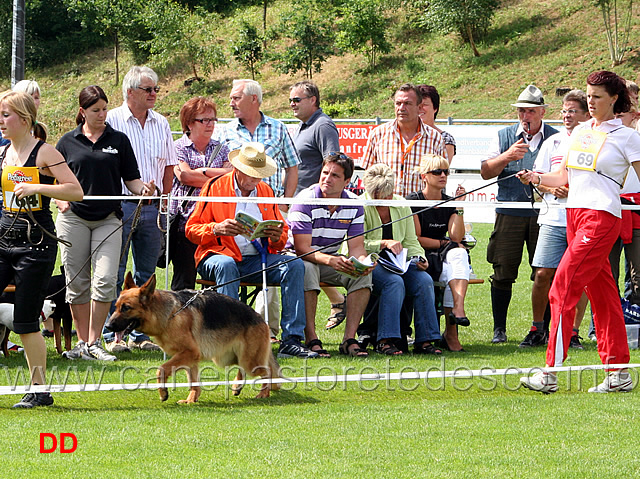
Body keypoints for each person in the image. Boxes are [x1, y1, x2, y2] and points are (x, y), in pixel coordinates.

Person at [519, 70, 640, 394]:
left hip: (601, 218)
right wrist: (536, 177)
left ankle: (549, 372)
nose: (591, 100)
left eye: (597, 96)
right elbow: (562, 178)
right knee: (604, 297)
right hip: (574, 216)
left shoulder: (627, 136)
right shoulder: (581, 132)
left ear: (614, 100)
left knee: (563, 286)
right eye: (588, 95)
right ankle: (619, 373)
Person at [185, 142, 316, 359]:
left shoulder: (266, 191)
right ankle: (229, 342)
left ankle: (292, 340)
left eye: (260, 174)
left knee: (294, 264)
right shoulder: (213, 187)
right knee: (226, 265)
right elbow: (191, 229)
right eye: (252, 174)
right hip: (217, 257)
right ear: (237, 170)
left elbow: (281, 238)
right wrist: (217, 228)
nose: (256, 179)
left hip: (257, 260)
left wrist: (275, 236)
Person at [55, 85, 155, 361]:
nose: (102, 115)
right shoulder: (66, 142)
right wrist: (60, 200)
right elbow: (54, 180)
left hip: (109, 219)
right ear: (82, 112)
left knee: (106, 279)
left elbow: (132, 180)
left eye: (104, 109)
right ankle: (82, 342)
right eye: (96, 110)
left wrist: (142, 189)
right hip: (73, 217)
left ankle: (95, 342)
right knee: (77, 282)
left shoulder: (119, 140)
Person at [0, 90, 83, 407]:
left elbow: (75, 190)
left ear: (24, 118)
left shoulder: (45, 152)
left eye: (6, 115)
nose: (1, 122)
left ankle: (39, 390)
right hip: (3, 239)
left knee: (24, 321)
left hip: (36, 245)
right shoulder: (3, 154)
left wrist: (37, 186)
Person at [216, 79, 301, 341]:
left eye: (236, 98)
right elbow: (217, 169)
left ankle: (275, 333)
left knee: (281, 265)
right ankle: (236, 335)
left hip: (271, 206)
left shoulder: (278, 128)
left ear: (254, 99)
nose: (231, 103)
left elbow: (292, 166)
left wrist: (284, 202)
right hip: (229, 208)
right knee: (230, 262)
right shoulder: (225, 131)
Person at [104, 66, 178, 353]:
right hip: (121, 205)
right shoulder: (111, 121)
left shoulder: (161, 123)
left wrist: (165, 201)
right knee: (117, 269)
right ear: (130, 92)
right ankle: (114, 334)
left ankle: (142, 333)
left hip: (153, 208)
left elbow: (169, 166)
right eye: (148, 89)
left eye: (156, 89)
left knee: (147, 273)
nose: (154, 94)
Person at [481, 84, 558, 343]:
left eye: (531, 111)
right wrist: (507, 156)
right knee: (502, 270)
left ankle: (543, 328)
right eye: (521, 111)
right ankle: (499, 329)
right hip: (510, 211)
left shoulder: (557, 138)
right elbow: (485, 172)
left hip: (545, 213)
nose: (525, 116)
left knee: (545, 271)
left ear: (543, 112)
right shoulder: (503, 136)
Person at [518, 90, 591, 349]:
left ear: (586, 114)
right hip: (553, 217)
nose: (566, 115)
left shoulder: (594, 141)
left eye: (572, 110)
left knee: (578, 278)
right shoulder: (553, 142)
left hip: (583, 218)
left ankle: (571, 332)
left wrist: (572, 190)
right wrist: (551, 188)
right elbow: (539, 177)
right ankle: (538, 328)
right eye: (564, 110)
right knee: (542, 273)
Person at [288, 152, 375, 358]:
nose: (327, 178)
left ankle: (349, 339)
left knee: (362, 275)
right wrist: (331, 260)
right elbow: (301, 248)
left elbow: (356, 247)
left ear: (347, 181)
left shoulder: (354, 203)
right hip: (296, 258)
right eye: (325, 172)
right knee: (307, 268)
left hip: (329, 260)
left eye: (335, 175)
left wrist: (362, 262)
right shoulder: (305, 199)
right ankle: (311, 338)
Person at [362, 163, 442, 355]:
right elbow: (355, 243)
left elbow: (411, 240)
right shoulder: (360, 205)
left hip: (400, 263)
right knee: (394, 282)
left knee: (424, 281)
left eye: (389, 194)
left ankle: (425, 341)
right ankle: (385, 340)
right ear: (372, 192)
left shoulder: (401, 204)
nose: (387, 199)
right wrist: (383, 243)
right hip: (370, 262)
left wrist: (420, 257)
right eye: (382, 196)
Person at [289, 80, 346, 331]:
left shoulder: (323, 125)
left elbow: (332, 163)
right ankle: (338, 300)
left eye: (296, 99)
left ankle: (336, 303)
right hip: (298, 205)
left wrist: (322, 198)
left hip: (315, 208)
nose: (292, 104)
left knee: (308, 257)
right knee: (305, 257)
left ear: (313, 100)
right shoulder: (303, 127)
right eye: (290, 100)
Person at [408, 154, 470, 352]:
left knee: (459, 255)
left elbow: (456, 237)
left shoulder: (449, 202)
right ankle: (450, 333)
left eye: (446, 171)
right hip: (419, 254)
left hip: (443, 253)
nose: (443, 175)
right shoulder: (413, 201)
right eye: (437, 171)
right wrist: (445, 243)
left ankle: (457, 310)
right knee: (455, 257)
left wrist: (459, 206)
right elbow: (417, 238)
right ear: (424, 176)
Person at [169, 97, 231, 291]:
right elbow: (185, 176)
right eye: (204, 120)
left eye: (213, 119)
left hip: (214, 224)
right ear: (189, 123)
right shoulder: (177, 147)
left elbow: (232, 177)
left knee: (212, 284)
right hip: (185, 224)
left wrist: (201, 173)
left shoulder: (222, 149)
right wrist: (215, 179)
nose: (210, 124)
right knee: (184, 282)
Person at [360, 83, 446, 197]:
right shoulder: (378, 134)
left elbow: (441, 179)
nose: (401, 108)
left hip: (420, 209)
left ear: (419, 107)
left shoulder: (435, 138)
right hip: (387, 208)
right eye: (398, 103)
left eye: (407, 103)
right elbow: (368, 176)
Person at [417, 84, 456, 162]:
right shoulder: (404, 135)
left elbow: (442, 171)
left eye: (425, 104)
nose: (420, 108)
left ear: (435, 108)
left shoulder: (445, 139)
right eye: (417, 105)